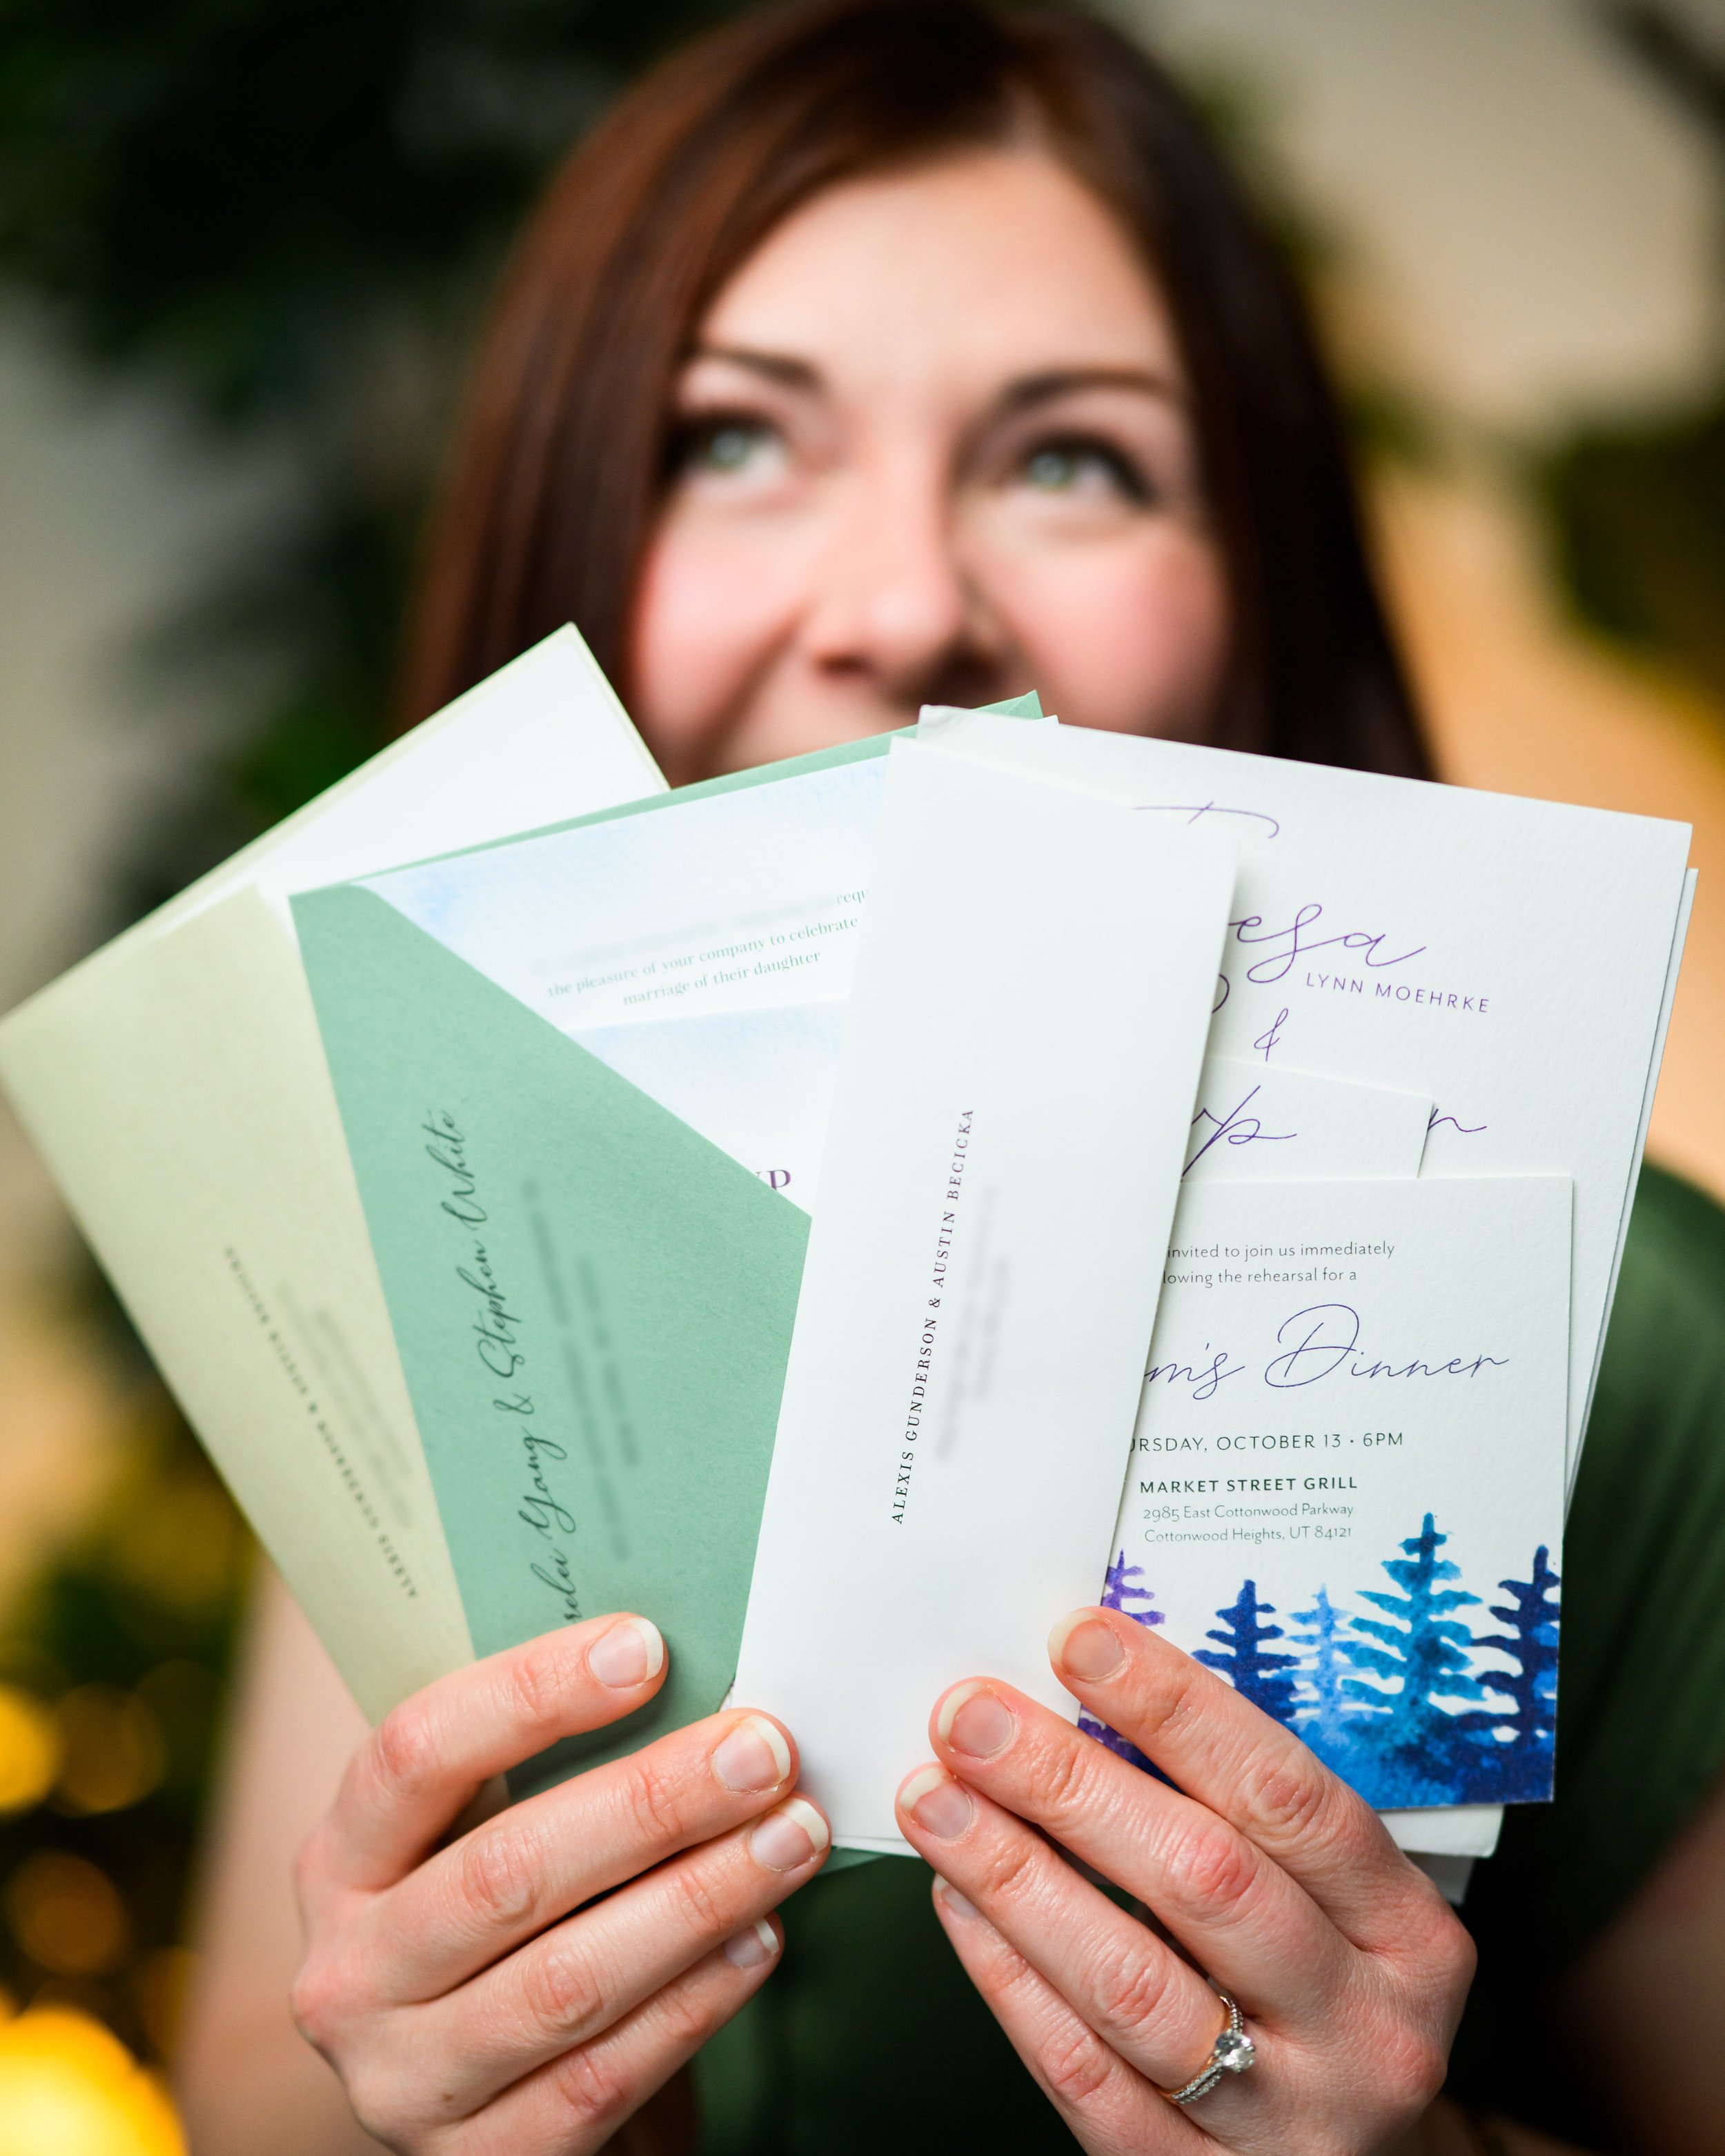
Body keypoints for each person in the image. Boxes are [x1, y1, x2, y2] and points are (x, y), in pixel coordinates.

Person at [172, 5, 1725, 2153]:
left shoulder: (1640, 1346)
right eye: (732, 437)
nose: (903, 604)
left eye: (1068, 456)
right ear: (567, 554)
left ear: (1252, 594)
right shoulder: (428, 1214)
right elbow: (253, 2084)